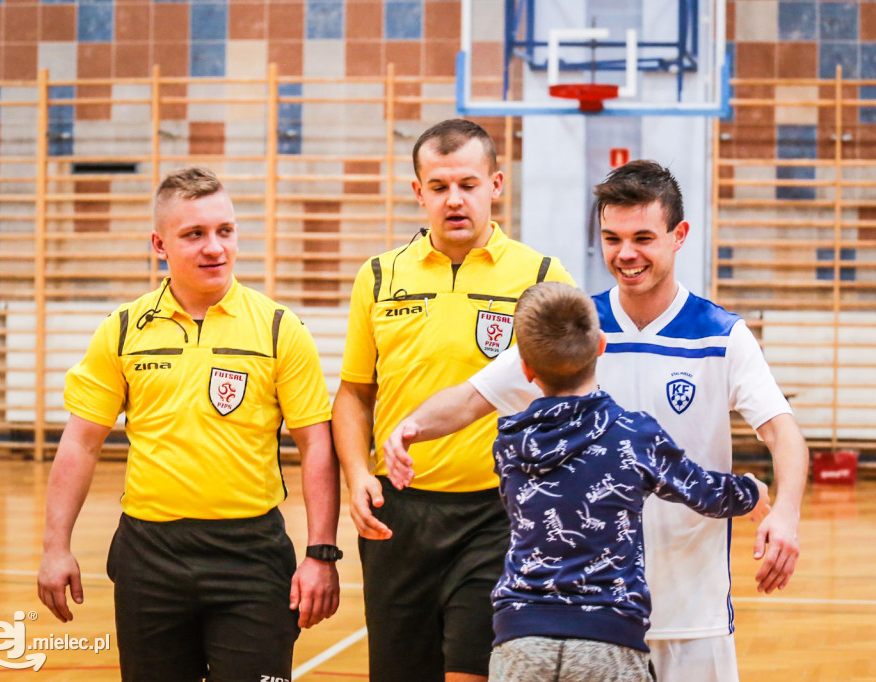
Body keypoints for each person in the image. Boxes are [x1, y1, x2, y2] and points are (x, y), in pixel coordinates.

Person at [384, 160, 808, 682]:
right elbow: (472, 399)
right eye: (612, 238)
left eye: (642, 238)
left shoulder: (721, 335)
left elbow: (781, 430)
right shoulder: (576, 326)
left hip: (693, 616)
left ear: (679, 236)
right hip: (593, 624)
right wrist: (410, 428)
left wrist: (785, 514)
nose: (625, 254)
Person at [37, 166, 342, 682]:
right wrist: (54, 546)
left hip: (251, 558)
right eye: (194, 234)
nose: (214, 248)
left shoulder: (278, 329)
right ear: (160, 243)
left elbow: (317, 446)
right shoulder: (123, 329)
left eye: (225, 231)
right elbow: (81, 443)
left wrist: (321, 554)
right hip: (150, 558)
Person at [331, 118, 573, 682]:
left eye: (467, 183)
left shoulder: (541, 275)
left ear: (496, 184)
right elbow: (353, 394)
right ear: (418, 192)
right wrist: (355, 475)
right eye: (438, 187)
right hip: (398, 515)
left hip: (498, 514)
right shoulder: (378, 276)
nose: (454, 200)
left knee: (472, 670)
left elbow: (570, 399)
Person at [486, 281, 771, 682]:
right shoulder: (631, 434)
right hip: (607, 635)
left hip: (521, 635)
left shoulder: (509, 442)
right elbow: (703, 491)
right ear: (601, 346)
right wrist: (751, 492)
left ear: (527, 369)